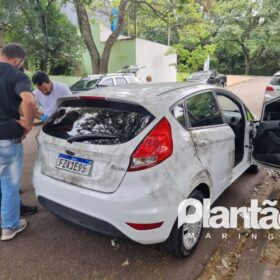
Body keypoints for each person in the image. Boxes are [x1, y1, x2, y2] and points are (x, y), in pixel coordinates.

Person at [0, 43, 36, 241]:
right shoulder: (16, 75)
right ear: (16, 60)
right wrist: (29, 123)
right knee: (9, 184)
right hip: (6, 138)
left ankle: (5, 219)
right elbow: (29, 100)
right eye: (20, 62)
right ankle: (10, 226)